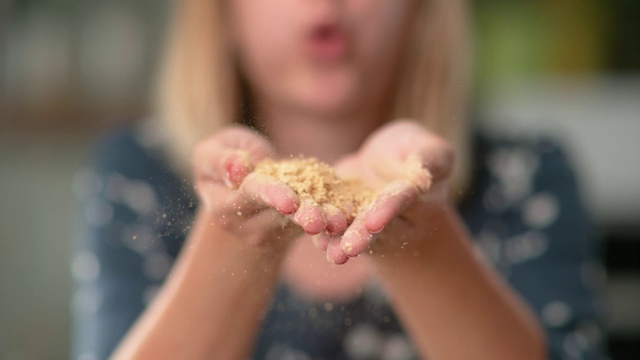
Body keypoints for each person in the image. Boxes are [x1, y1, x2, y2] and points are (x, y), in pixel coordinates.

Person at [72, 1, 606, 359]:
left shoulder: (525, 174)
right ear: (222, 15)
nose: (325, 3)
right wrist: (236, 235)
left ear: (420, 10)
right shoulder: (140, 175)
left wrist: (424, 238)